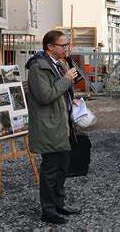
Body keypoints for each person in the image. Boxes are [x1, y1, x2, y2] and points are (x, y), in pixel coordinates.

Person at [26, 30, 81, 224]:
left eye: (67, 44)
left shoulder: (59, 64)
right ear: (50, 47)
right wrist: (66, 79)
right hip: (49, 125)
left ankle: (59, 205)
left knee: (62, 168)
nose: (66, 48)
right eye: (63, 45)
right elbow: (45, 96)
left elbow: (60, 92)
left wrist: (71, 98)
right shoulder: (38, 67)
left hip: (62, 124)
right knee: (50, 170)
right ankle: (48, 211)